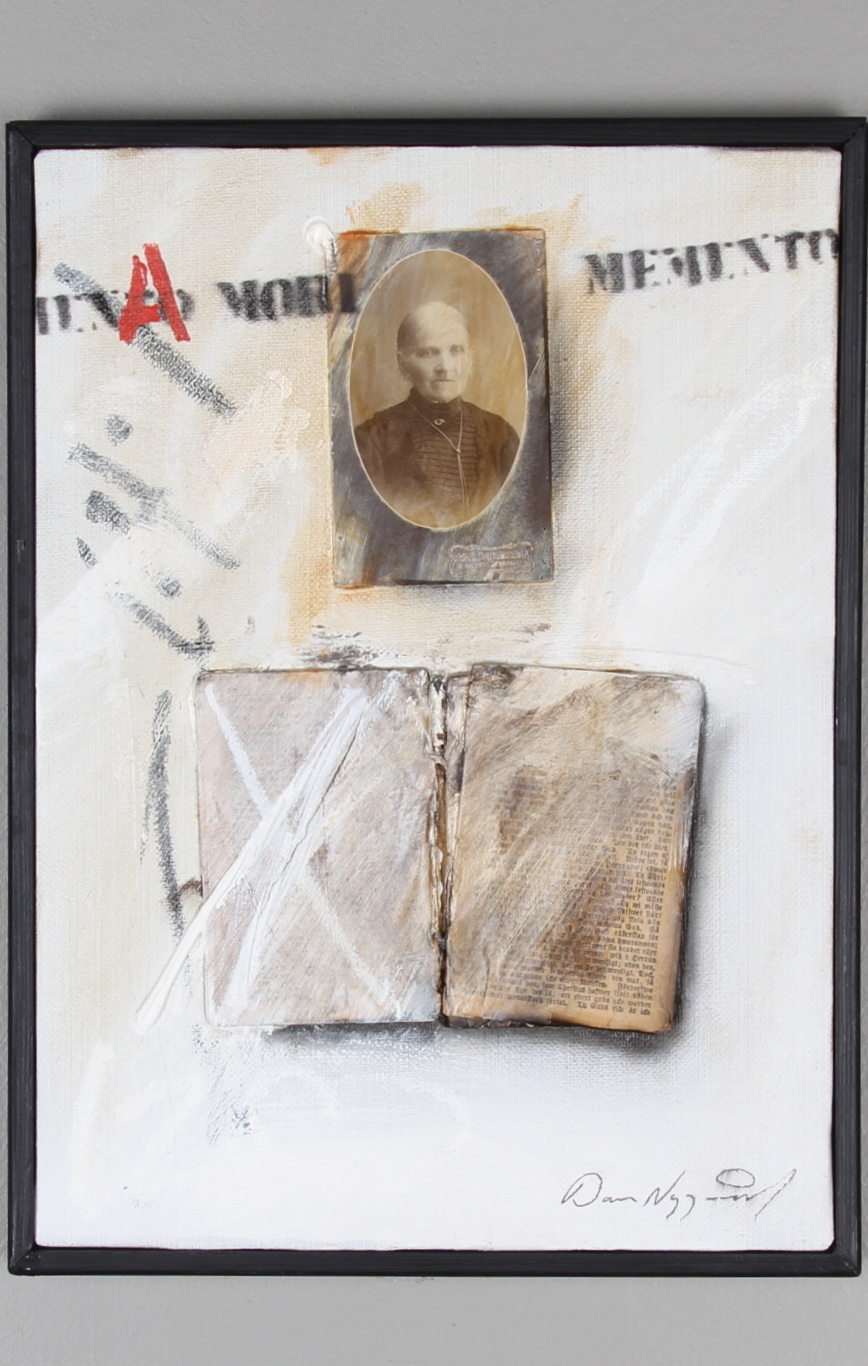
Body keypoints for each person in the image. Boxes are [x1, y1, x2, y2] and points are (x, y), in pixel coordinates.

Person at [354, 301, 520, 528]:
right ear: (403, 364)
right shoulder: (372, 441)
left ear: (470, 358)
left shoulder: (500, 436)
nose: (445, 367)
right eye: (428, 353)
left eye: (456, 351)